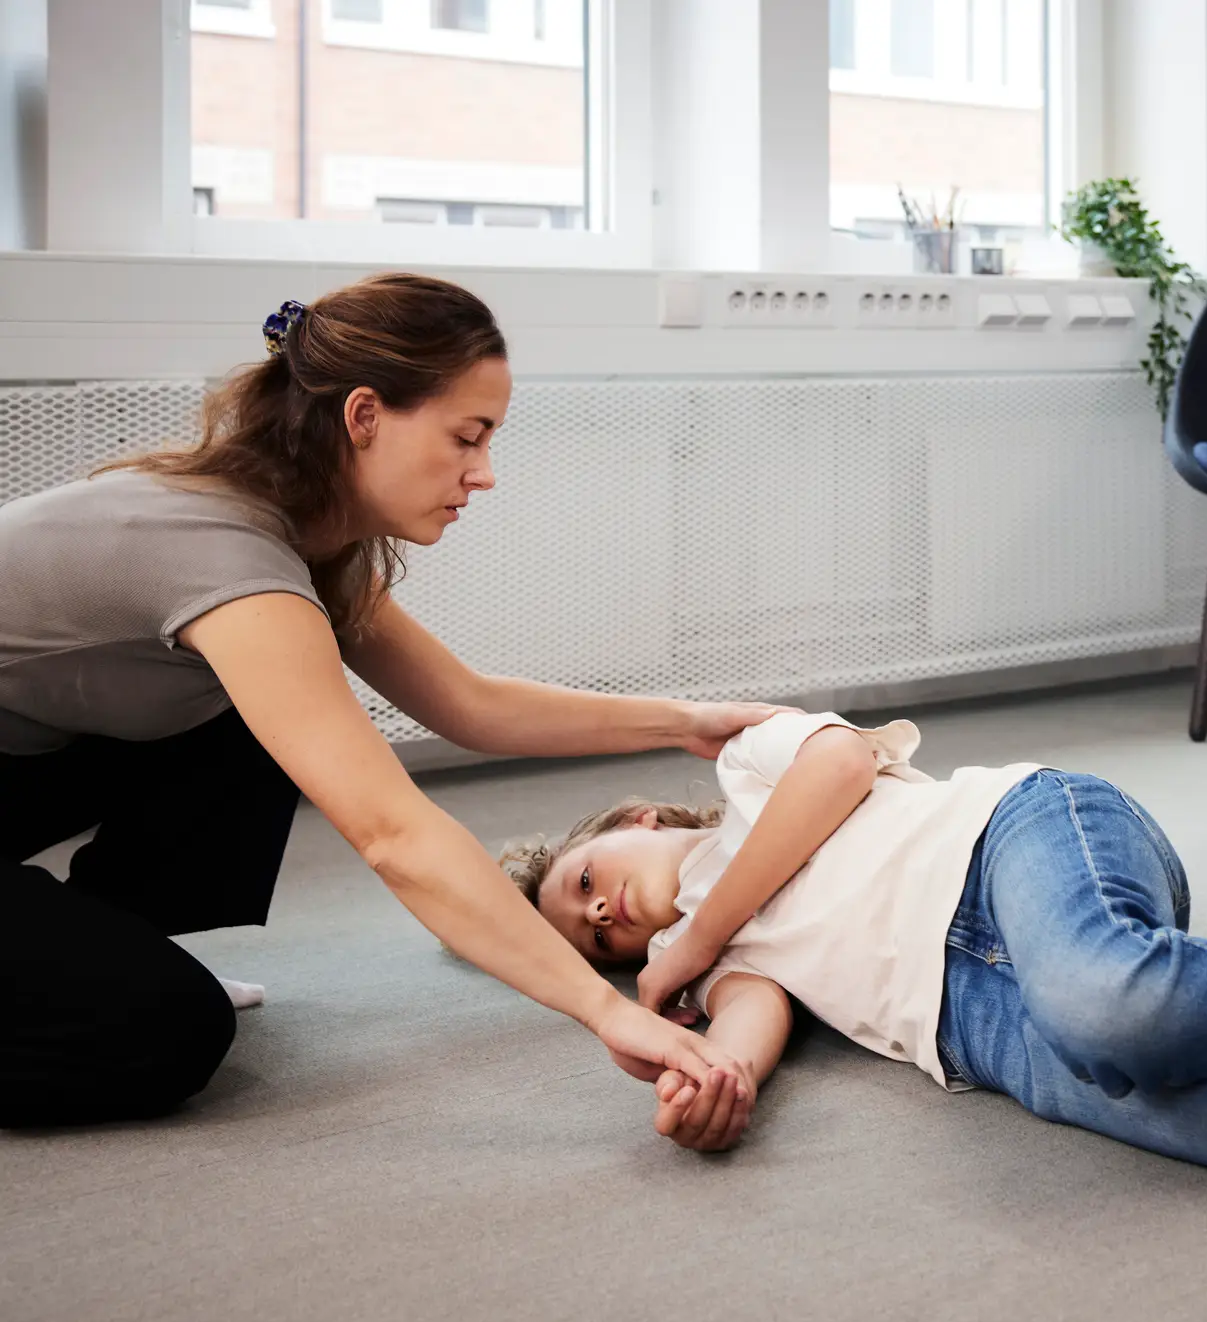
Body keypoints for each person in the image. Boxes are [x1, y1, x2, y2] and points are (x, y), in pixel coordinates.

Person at [0, 274, 778, 1142]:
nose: (483, 475)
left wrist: (685, 722)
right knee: (163, 1036)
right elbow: (393, 833)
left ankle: (103, 941)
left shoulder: (300, 539)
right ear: (364, 416)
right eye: (466, 438)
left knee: (261, 719)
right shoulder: (227, 559)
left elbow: (468, 705)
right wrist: (604, 1010)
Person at [501, 708, 1207, 1198]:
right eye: (597, 939)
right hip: (979, 1031)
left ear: (635, 821)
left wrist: (692, 929)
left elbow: (840, 766)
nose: (606, 920)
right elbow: (756, 1017)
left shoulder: (746, 774)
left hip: (1019, 844)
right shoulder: (720, 965)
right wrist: (723, 1074)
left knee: (1109, 1001)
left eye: (586, 886)